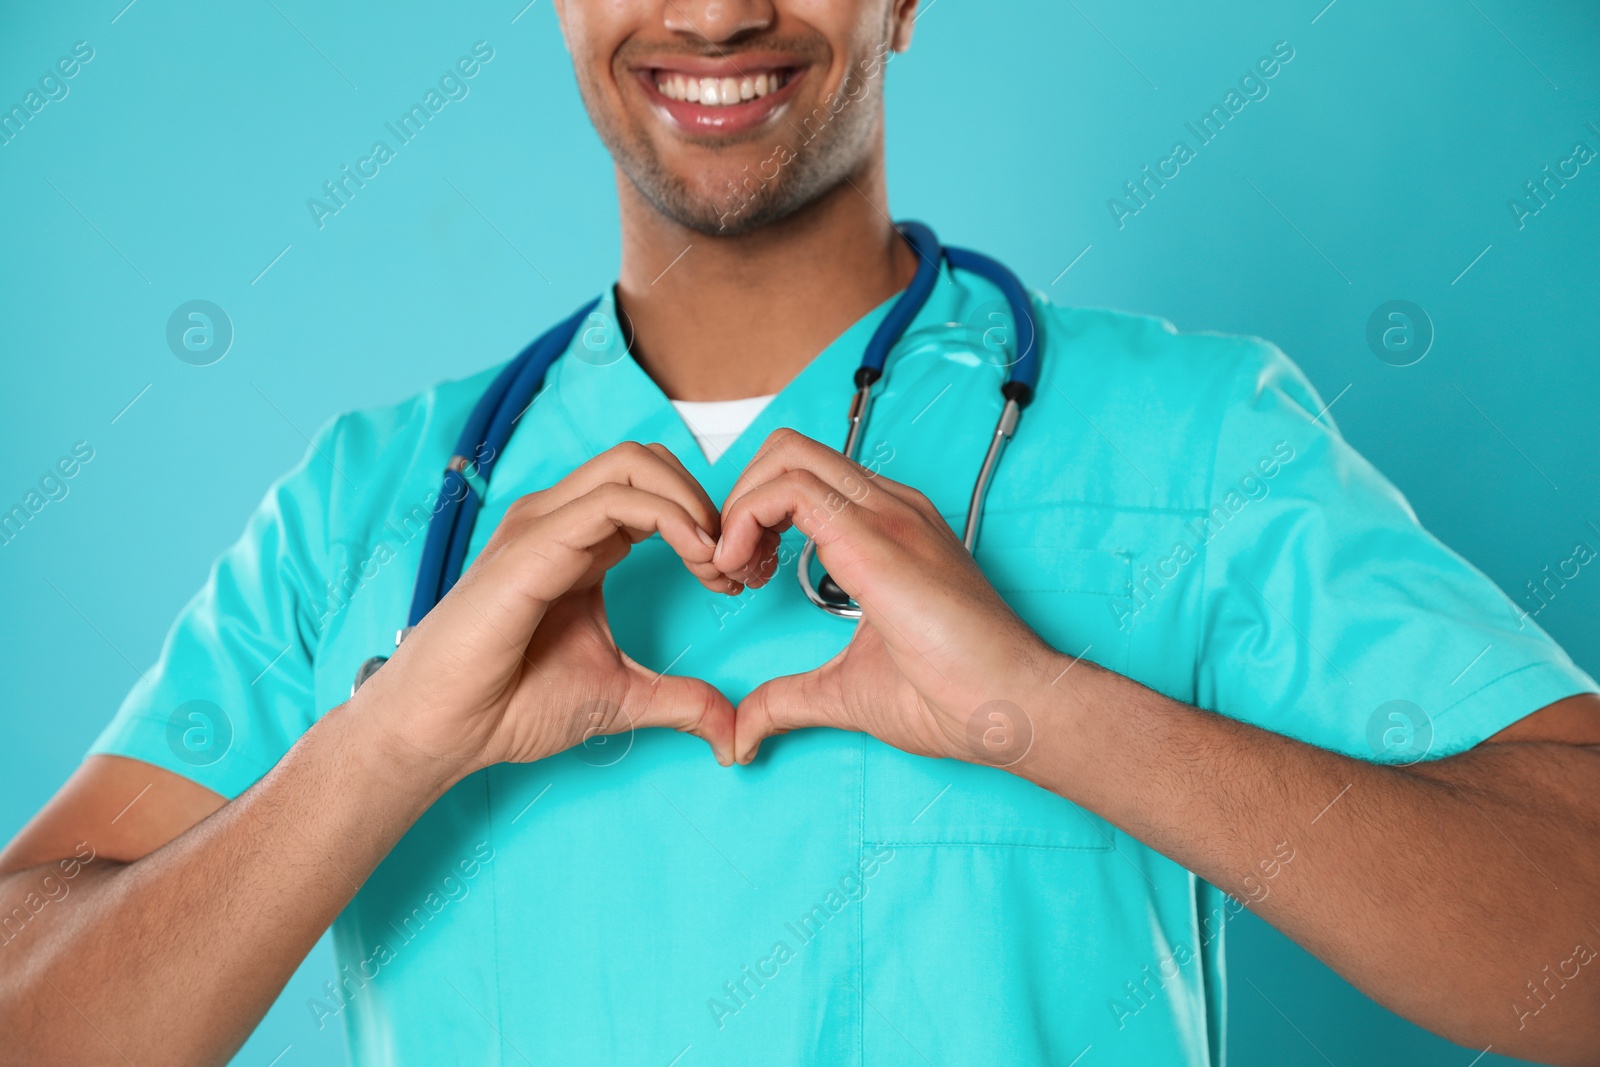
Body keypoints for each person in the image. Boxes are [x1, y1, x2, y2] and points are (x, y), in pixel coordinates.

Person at [4, 1, 1598, 1064]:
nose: (712, 15)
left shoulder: (1192, 437)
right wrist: (384, 744)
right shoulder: (372, 504)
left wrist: (1039, 712)